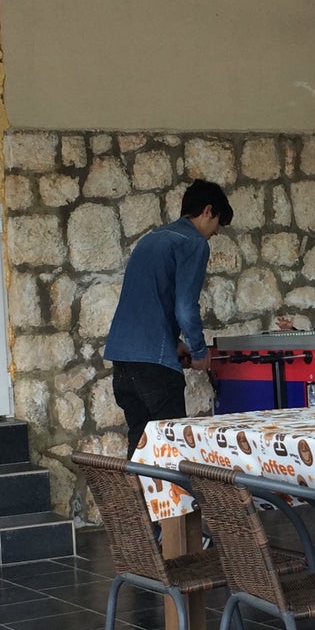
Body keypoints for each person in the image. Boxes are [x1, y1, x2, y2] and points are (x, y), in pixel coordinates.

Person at [105, 179, 233, 458]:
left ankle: (136, 490)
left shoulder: (151, 239)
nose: (214, 233)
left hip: (123, 359)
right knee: (173, 450)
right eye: (217, 224)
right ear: (208, 211)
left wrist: (174, 343)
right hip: (155, 366)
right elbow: (185, 308)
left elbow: (147, 302)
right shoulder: (193, 242)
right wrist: (199, 352)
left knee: (141, 449)